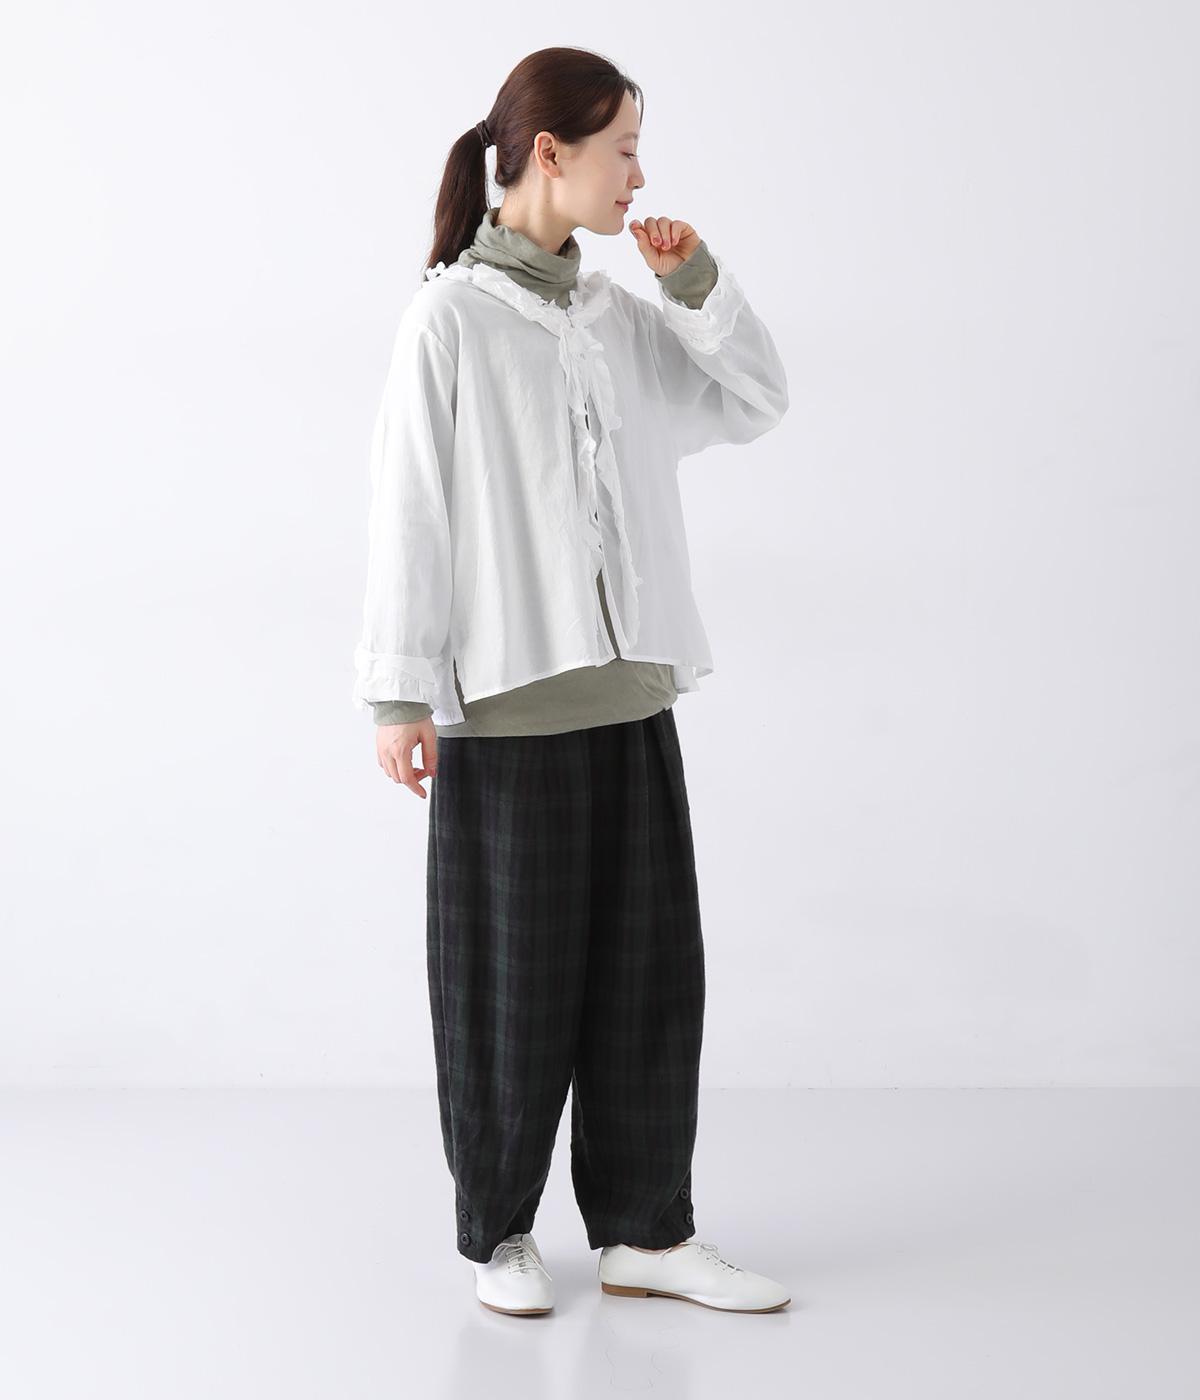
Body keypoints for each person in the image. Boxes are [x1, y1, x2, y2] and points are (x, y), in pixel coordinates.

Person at [352, 46, 791, 1316]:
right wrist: (397, 695)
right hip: (508, 714)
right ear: (551, 152)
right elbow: (409, 511)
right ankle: (498, 1231)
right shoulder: (449, 319)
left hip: (634, 700)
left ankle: (647, 1229)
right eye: (624, 150)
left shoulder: (618, 318)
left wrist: (692, 283)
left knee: (650, 978)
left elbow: (758, 397)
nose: (638, 175)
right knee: (512, 987)